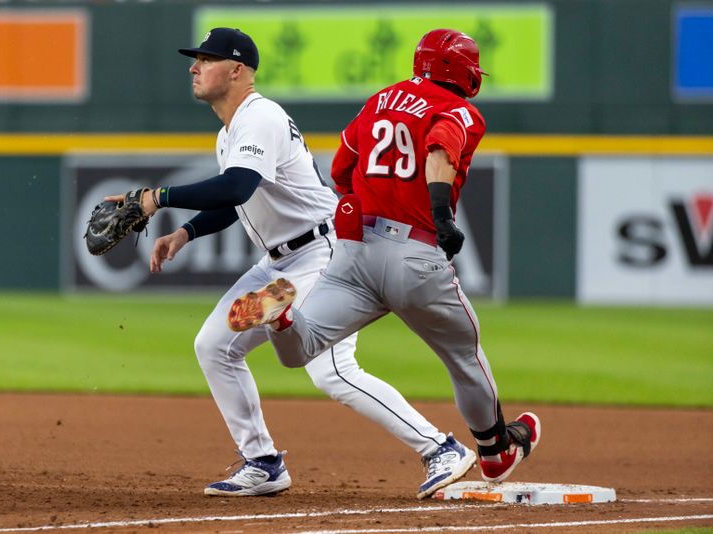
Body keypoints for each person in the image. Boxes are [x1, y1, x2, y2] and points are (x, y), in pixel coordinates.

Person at [108, 27, 476, 499]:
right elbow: (237, 196)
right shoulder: (232, 130)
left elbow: (237, 186)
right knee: (214, 346)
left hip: (322, 255)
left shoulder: (260, 117)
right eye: (195, 59)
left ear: (237, 70)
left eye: (206, 59)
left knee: (332, 370)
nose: (193, 67)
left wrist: (156, 199)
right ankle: (263, 462)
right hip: (281, 265)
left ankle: (440, 448)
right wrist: (187, 231)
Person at [228, 29, 542, 485]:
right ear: (463, 71)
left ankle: (280, 318)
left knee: (303, 348)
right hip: (415, 256)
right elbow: (440, 149)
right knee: (464, 355)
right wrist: (440, 213)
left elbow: (341, 169)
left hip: (354, 252)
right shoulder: (459, 110)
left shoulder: (380, 100)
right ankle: (494, 450)